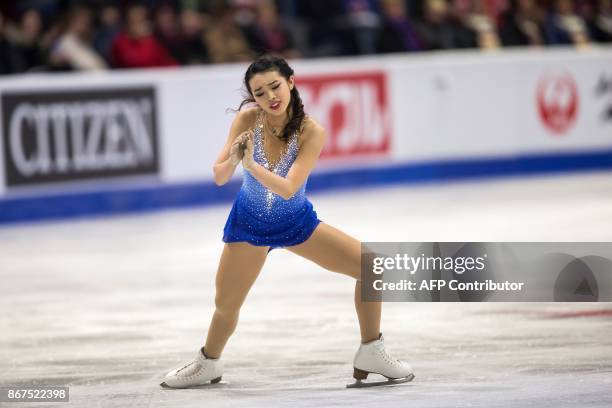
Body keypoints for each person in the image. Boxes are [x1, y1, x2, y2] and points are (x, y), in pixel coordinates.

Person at [160, 55, 414, 389]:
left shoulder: (311, 131)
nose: (270, 97)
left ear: (291, 82)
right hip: (249, 227)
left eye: (275, 86)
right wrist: (235, 158)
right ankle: (208, 362)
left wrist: (250, 165)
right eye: (260, 92)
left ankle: (372, 350)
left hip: (296, 223)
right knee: (226, 306)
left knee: (372, 268)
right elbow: (220, 176)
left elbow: (289, 187)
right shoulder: (248, 119)